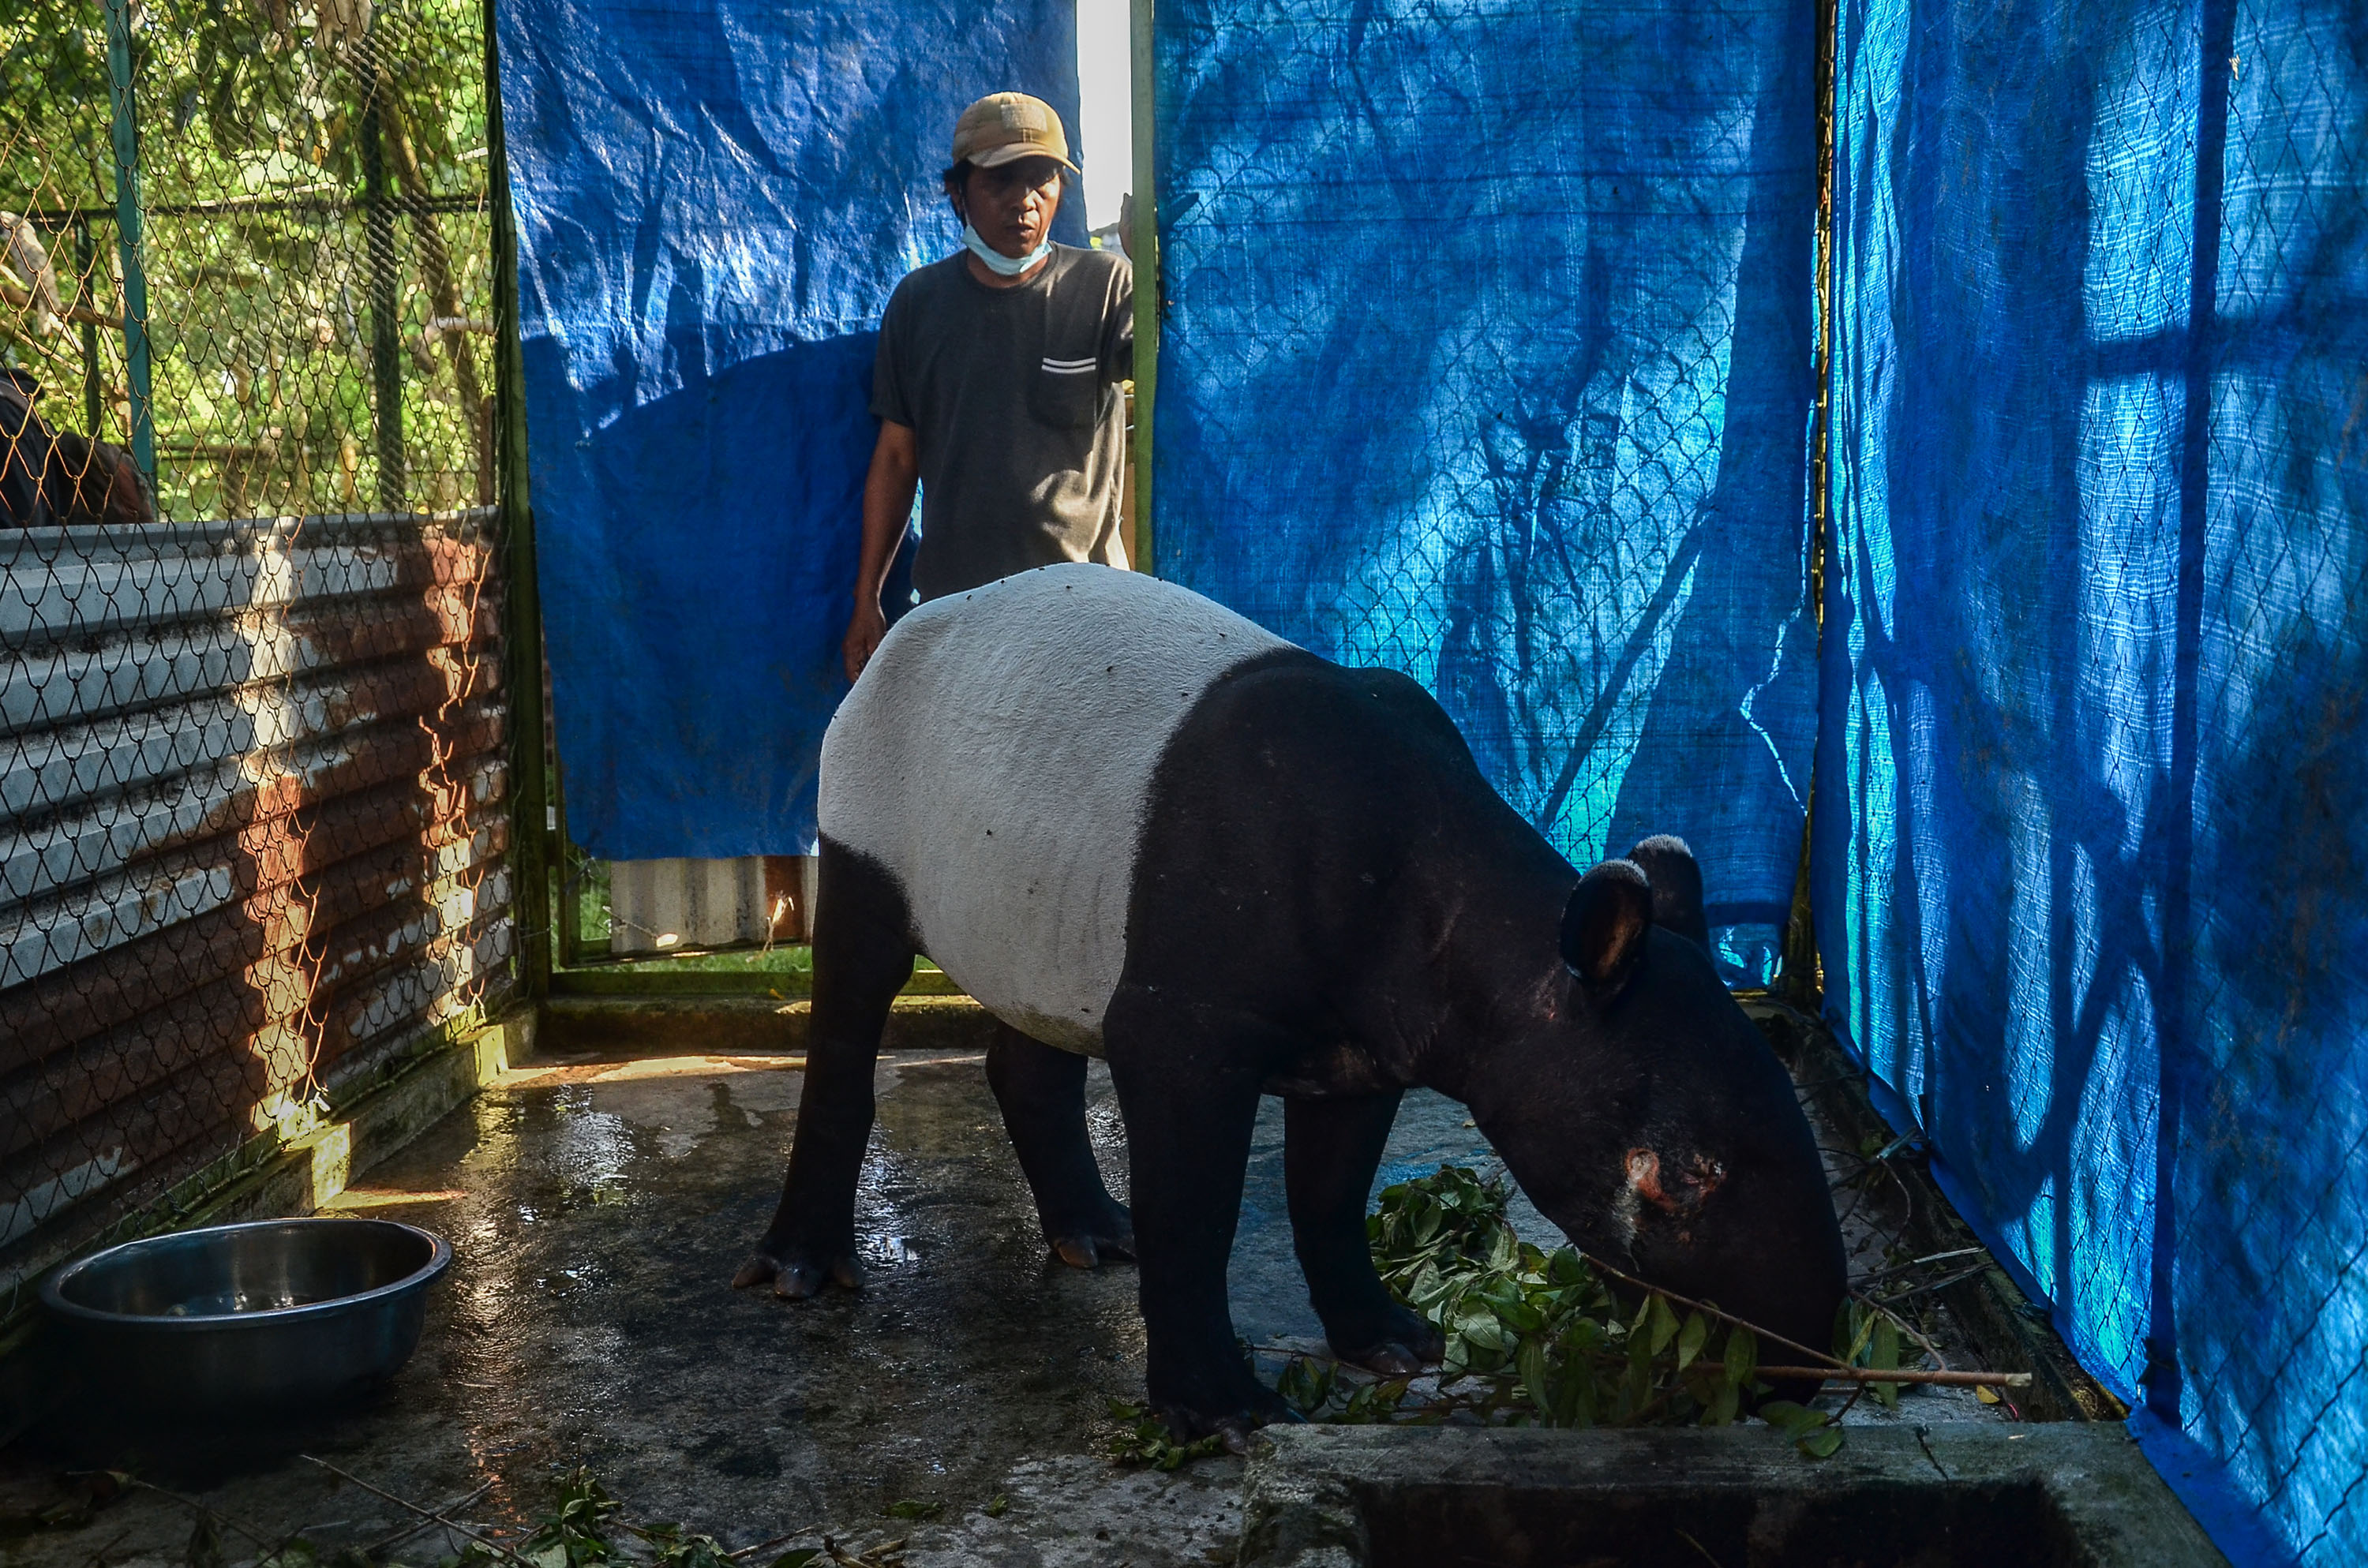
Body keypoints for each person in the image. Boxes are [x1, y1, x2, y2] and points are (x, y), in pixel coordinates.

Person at [841, 92, 1133, 682]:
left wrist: (1157, 267)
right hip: (961, 616)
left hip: (1088, 614)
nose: (1025, 201)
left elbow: (1177, 371)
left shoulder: (1107, 289)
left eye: (1043, 179)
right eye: (1001, 181)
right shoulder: (920, 304)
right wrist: (866, 597)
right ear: (958, 192)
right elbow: (897, 459)